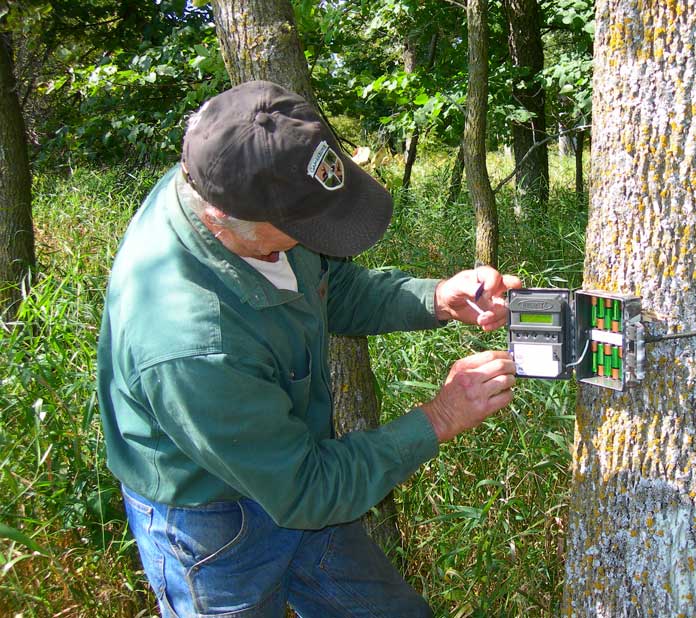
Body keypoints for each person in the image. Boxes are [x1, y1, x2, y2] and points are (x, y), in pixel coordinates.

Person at [97, 80, 521, 617]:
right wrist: (439, 417)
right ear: (228, 222)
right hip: (212, 526)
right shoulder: (193, 344)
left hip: (296, 469)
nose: (315, 239)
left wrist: (435, 298)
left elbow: (329, 287)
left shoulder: (235, 171)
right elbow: (308, 491)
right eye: (304, 228)